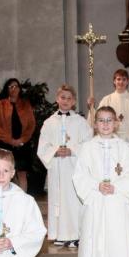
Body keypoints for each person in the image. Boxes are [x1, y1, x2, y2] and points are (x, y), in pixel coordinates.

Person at [72, 106, 129, 257]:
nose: (105, 124)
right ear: (95, 124)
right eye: (101, 120)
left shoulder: (126, 148)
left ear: (116, 123)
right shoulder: (87, 148)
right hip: (96, 202)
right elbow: (79, 175)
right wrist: (96, 186)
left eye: (109, 120)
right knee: (96, 240)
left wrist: (117, 187)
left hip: (117, 202)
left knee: (118, 240)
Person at [37, 84, 93, 248]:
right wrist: (54, 151)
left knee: (74, 200)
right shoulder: (49, 123)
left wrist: (72, 150)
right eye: (63, 97)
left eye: (69, 98)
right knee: (59, 200)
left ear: (74, 101)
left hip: (74, 168)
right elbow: (43, 146)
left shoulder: (81, 122)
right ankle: (59, 234)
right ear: (57, 99)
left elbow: (88, 143)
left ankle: (76, 234)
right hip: (57, 169)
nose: (65, 101)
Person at [96, 69, 129, 221]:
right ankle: (114, 204)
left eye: (124, 79)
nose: (120, 82)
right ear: (114, 81)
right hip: (110, 143)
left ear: (127, 81)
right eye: (118, 79)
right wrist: (92, 107)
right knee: (113, 172)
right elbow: (97, 119)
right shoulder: (107, 100)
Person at [0, 78, 36, 193]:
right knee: (7, 173)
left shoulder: (25, 104)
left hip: (22, 144)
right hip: (5, 144)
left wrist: (22, 139)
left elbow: (31, 125)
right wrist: (10, 141)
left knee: (22, 174)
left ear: (19, 89)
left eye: (16, 86)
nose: (14, 88)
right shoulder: (0, 105)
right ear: (7, 89)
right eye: (11, 86)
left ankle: (22, 201)